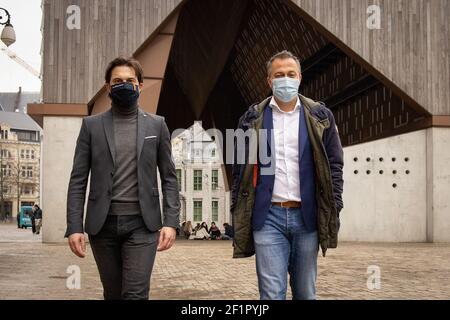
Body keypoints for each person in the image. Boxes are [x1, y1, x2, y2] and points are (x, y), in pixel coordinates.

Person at [231, 50, 344, 300]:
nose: (285, 79)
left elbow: (334, 164)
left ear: (300, 77)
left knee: (305, 293)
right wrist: (237, 208)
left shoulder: (320, 116)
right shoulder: (251, 119)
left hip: (308, 218)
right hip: (268, 217)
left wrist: (334, 203)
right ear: (269, 81)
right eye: (279, 75)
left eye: (290, 74)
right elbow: (239, 169)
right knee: (271, 293)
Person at [65, 57, 180, 300]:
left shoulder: (157, 126)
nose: (124, 85)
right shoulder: (91, 126)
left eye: (130, 80)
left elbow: (169, 177)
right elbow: (78, 179)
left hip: (142, 224)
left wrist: (171, 221)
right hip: (102, 225)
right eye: (117, 81)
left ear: (140, 85)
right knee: (113, 294)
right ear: (108, 87)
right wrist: (74, 226)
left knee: (135, 294)